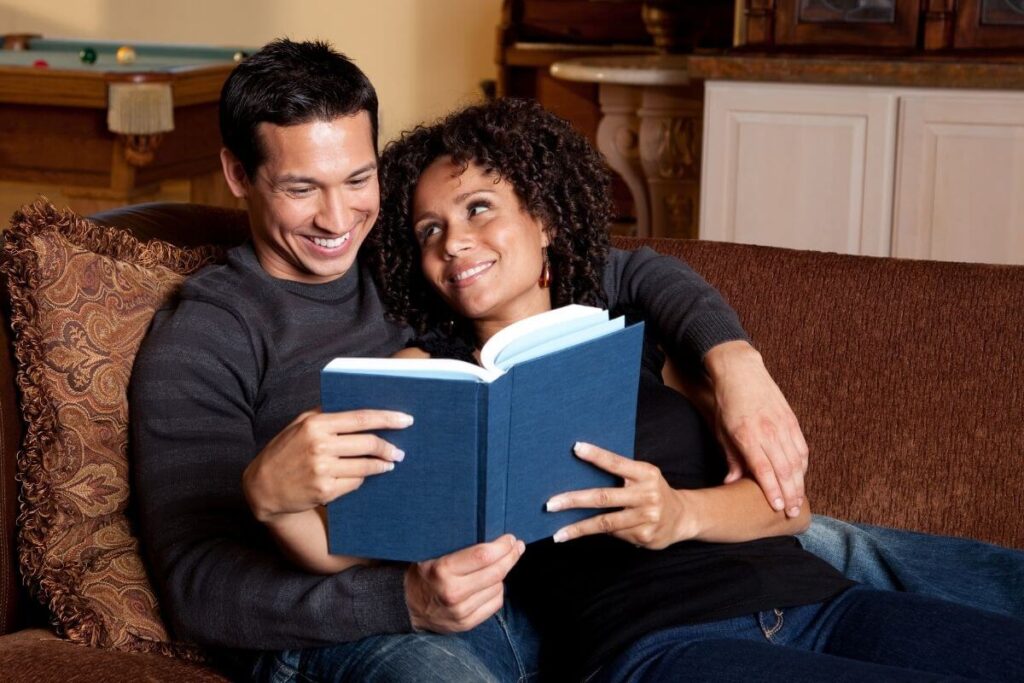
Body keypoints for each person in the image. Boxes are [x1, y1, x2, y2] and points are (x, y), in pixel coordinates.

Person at [129, 39, 817, 681]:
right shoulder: (207, 331)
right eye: (301, 189)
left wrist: (735, 367)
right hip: (364, 615)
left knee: (807, 535)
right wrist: (399, 598)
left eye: (358, 179)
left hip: (533, 575)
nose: (337, 219)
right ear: (238, 173)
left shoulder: (416, 255)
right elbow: (198, 585)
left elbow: (626, 271)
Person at [360, 97, 1024, 681]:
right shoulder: (438, 377)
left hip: (820, 600)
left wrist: (680, 512)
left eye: (479, 208)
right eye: (430, 230)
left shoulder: (640, 336)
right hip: (658, 641)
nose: (455, 242)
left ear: (544, 220)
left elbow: (786, 509)